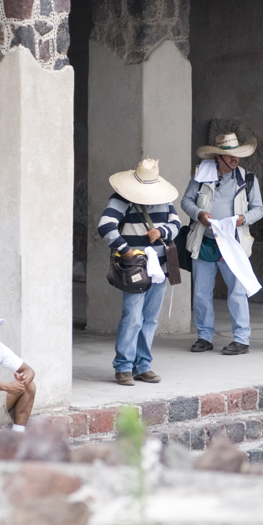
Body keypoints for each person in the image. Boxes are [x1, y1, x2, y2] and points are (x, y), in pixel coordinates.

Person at [98, 158, 181, 385]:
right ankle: (124, 367)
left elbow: (176, 224)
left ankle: (142, 365)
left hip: (159, 268)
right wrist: (125, 250)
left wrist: (162, 231)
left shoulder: (164, 200)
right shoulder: (121, 198)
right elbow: (105, 226)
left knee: (150, 319)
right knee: (133, 317)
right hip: (134, 267)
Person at [181, 132, 263, 355]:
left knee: (237, 292)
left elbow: (258, 209)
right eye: (230, 155)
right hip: (204, 241)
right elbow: (186, 201)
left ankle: (241, 339)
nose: (235, 159)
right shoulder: (201, 177)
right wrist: (199, 214)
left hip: (233, 243)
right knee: (200, 293)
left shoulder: (247, 179)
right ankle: (204, 337)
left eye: (237, 155)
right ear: (218, 157)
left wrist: (242, 219)